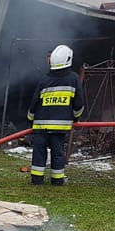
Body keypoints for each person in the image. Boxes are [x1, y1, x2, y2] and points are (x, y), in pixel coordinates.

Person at [26, 45, 85, 186]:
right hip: (59, 128)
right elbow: (78, 103)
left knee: (39, 153)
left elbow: (34, 102)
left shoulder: (44, 79)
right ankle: (57, 180)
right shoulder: (74, 79)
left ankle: (37, 180)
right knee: (58, 153)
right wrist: (76, 117)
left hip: (40, 126)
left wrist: (30, 119)